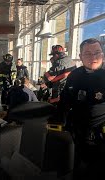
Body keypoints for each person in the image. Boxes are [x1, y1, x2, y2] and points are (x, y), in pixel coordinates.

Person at [58, 38, 105, 178]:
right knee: (76, 169)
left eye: (97, 52)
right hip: (77, 132)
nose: (93, 57)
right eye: (88, 53)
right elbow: (65, 101)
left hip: (100, 137)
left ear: (102, 54)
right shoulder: (75, 75)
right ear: (80, 57)